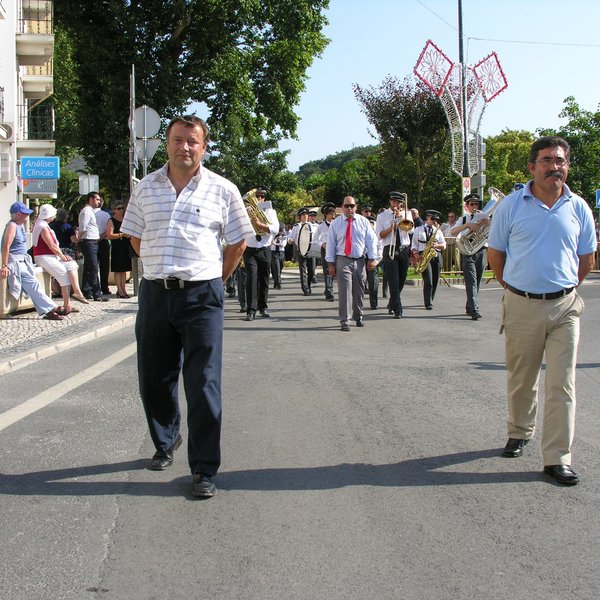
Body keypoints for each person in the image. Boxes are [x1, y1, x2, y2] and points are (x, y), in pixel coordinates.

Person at [120, 115, 253, 498]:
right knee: (154, 377)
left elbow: (237, 244)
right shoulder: (146, 187)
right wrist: (162, 268)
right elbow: (134, 236)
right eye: (178, 140)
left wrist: (213, 279)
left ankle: (204, 469)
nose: (185, 147)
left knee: (203, 383)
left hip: (202, 296)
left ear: (204, 146)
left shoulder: (223, 190)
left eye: (192, 141)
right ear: (167, 144)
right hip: (155, 294)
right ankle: (165, 441)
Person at [487, 136, 596, 487]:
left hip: (565, 307)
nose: (555, 167)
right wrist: (516, 287)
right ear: (532, 167)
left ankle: (557, 458)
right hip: (521, 304)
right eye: (547, 160)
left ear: (567, 166)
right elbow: (496, 254)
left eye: (560, 161)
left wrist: (563, 287)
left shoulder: (578, 207)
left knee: (562, 383)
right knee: (523, 378)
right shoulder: (511, 206)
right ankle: (520, 431)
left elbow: (586, 257)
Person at [1, 202, 63, 320]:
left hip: (22, 261)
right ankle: (52, 308)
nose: (27, 217)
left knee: (33, 284)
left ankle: (48, 310)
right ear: (18, 214)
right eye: (25, 214)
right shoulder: (12, 226)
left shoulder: (18, 226)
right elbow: (6, 246)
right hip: (15, 261)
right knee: (33, 284)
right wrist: (4, 265)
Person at [326, 196, 378, 331]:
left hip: (360, 259)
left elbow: (371, 240)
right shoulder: (336, 224)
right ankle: (345, 320)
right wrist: (330, 264)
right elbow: (331, 244)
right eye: (347, 206)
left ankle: (358, 315)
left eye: (352, 206)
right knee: (345, 291)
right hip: (343, 259)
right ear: (342, 207)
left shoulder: (363, 222)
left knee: (359, 290)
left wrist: (372, 258)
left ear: (356, 206)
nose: (350, 208)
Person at [32, 203, 89, 316]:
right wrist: (62, 256)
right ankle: (66, 306)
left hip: (50, 255)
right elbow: (51, 245)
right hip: (44, 256)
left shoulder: (43, 225)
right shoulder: (42, 226)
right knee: (63, 274)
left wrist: (62, 257)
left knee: (72, 265)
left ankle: (77, 292)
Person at [243, 186, 279, 320]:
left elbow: (274, 229)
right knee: (251, 278)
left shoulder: (270, 212)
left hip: (264, 248)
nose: (258, 199)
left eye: (261, 197)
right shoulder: (246, 210)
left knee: (264, 279)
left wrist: (259, 223)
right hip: (250, 248)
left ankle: (263, 307)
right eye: (256, 196)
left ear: (265, 198)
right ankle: (251, 310)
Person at [450, 192, 487, 320]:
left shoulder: (483, 216)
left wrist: (486, 222)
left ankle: (469, 306)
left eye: (477, 203)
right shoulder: (463, 219)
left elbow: (492, 230)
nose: (475, 206)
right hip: (467, 252)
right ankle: (474, 310)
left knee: (477, 282)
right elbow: (452, 231)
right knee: (471, 281)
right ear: (467, 206)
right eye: (472, 204)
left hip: (480, 250)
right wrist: (467, 225)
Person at [375, 191, 411, 318]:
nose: (396, 204)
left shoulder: (408, 214)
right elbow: (379, 235)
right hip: (389, 248)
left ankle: (392, 303)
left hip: (404, 248)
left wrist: (401, 218)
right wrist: (392, 228)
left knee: (401, 280)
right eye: (393, 201)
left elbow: (410, 229)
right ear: (390, 201)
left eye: (398, 202)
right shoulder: (383, 216)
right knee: (394, 281)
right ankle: (398, 310)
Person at [411, 209, 446, 310]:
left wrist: (437, 245)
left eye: (436, 220)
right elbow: (414, 243)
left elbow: (444, 245)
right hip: (424, 255)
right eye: (433, 219)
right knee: (428, 280)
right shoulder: (418, 229)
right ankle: (428, 302)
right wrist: (415, 253)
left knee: (435, 280)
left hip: (436, 254)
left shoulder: (438, 230)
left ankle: (431, 298)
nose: (435, 221)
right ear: (427, 218)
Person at [77, 191, 108, 302]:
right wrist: (78, 239)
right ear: (91, 199)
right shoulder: (86, 211)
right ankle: (96, 293)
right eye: (97, 199)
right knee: (94, 268)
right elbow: (83, 227)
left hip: (92, 241)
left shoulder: (89, 211)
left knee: (89, 267)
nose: (99, 202)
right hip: (88, 241)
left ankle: (87, 291)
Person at [105, 201, 132, 298]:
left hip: (125, 246)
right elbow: (109, 235)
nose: (121, 210)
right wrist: (122, 234)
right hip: (117, 246)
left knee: (124, 269)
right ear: (114, 210)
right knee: (118, 269)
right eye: (119, 208)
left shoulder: (126, 219)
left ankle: (123, 289)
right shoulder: (111, 220)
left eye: (122, 208)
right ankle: (119, 290)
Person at [289, 208, 314, 295]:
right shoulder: (297, 226)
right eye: (303, 215)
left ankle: (308, 285)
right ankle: (305, 289)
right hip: (301, 250)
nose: (305, 216)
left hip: (311, 250)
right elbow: (291, 236)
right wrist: (290, 240)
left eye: (306, 214)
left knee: (312, 271)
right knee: (303, 270)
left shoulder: (312, 225)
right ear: (300, 217)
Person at [316, 202, 337, 302]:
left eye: (333, 213)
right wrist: (322, 244)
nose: (332, 215)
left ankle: (328, 288)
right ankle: (329, 292)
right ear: (325, 214)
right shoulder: (321, 226)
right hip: (325, 249)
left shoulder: (337, 224)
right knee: (327, 270)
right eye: (330, 213)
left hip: (335, 250)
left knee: (334, 270)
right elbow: (315, 238)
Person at [94, 199, 111, 295]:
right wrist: (101, 237)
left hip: (92, 241)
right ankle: (105, 287)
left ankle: (95, 287)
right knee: (104, 266)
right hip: (104, 241)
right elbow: (108, 230)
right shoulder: (106, 215)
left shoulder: (88, 213)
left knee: (94, 266)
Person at [271, 225, 287, 290]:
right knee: (276, 268)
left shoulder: (284, 236)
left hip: (281, 253)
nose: (282, 232)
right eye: (281, 230)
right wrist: (274, 242)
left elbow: (283, 245)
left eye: (283, 230)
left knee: (280, 268)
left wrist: (275, 243)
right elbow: (270, 242)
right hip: (274, 253)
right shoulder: (273, 236)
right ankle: (279, 284)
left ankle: (276, 281)